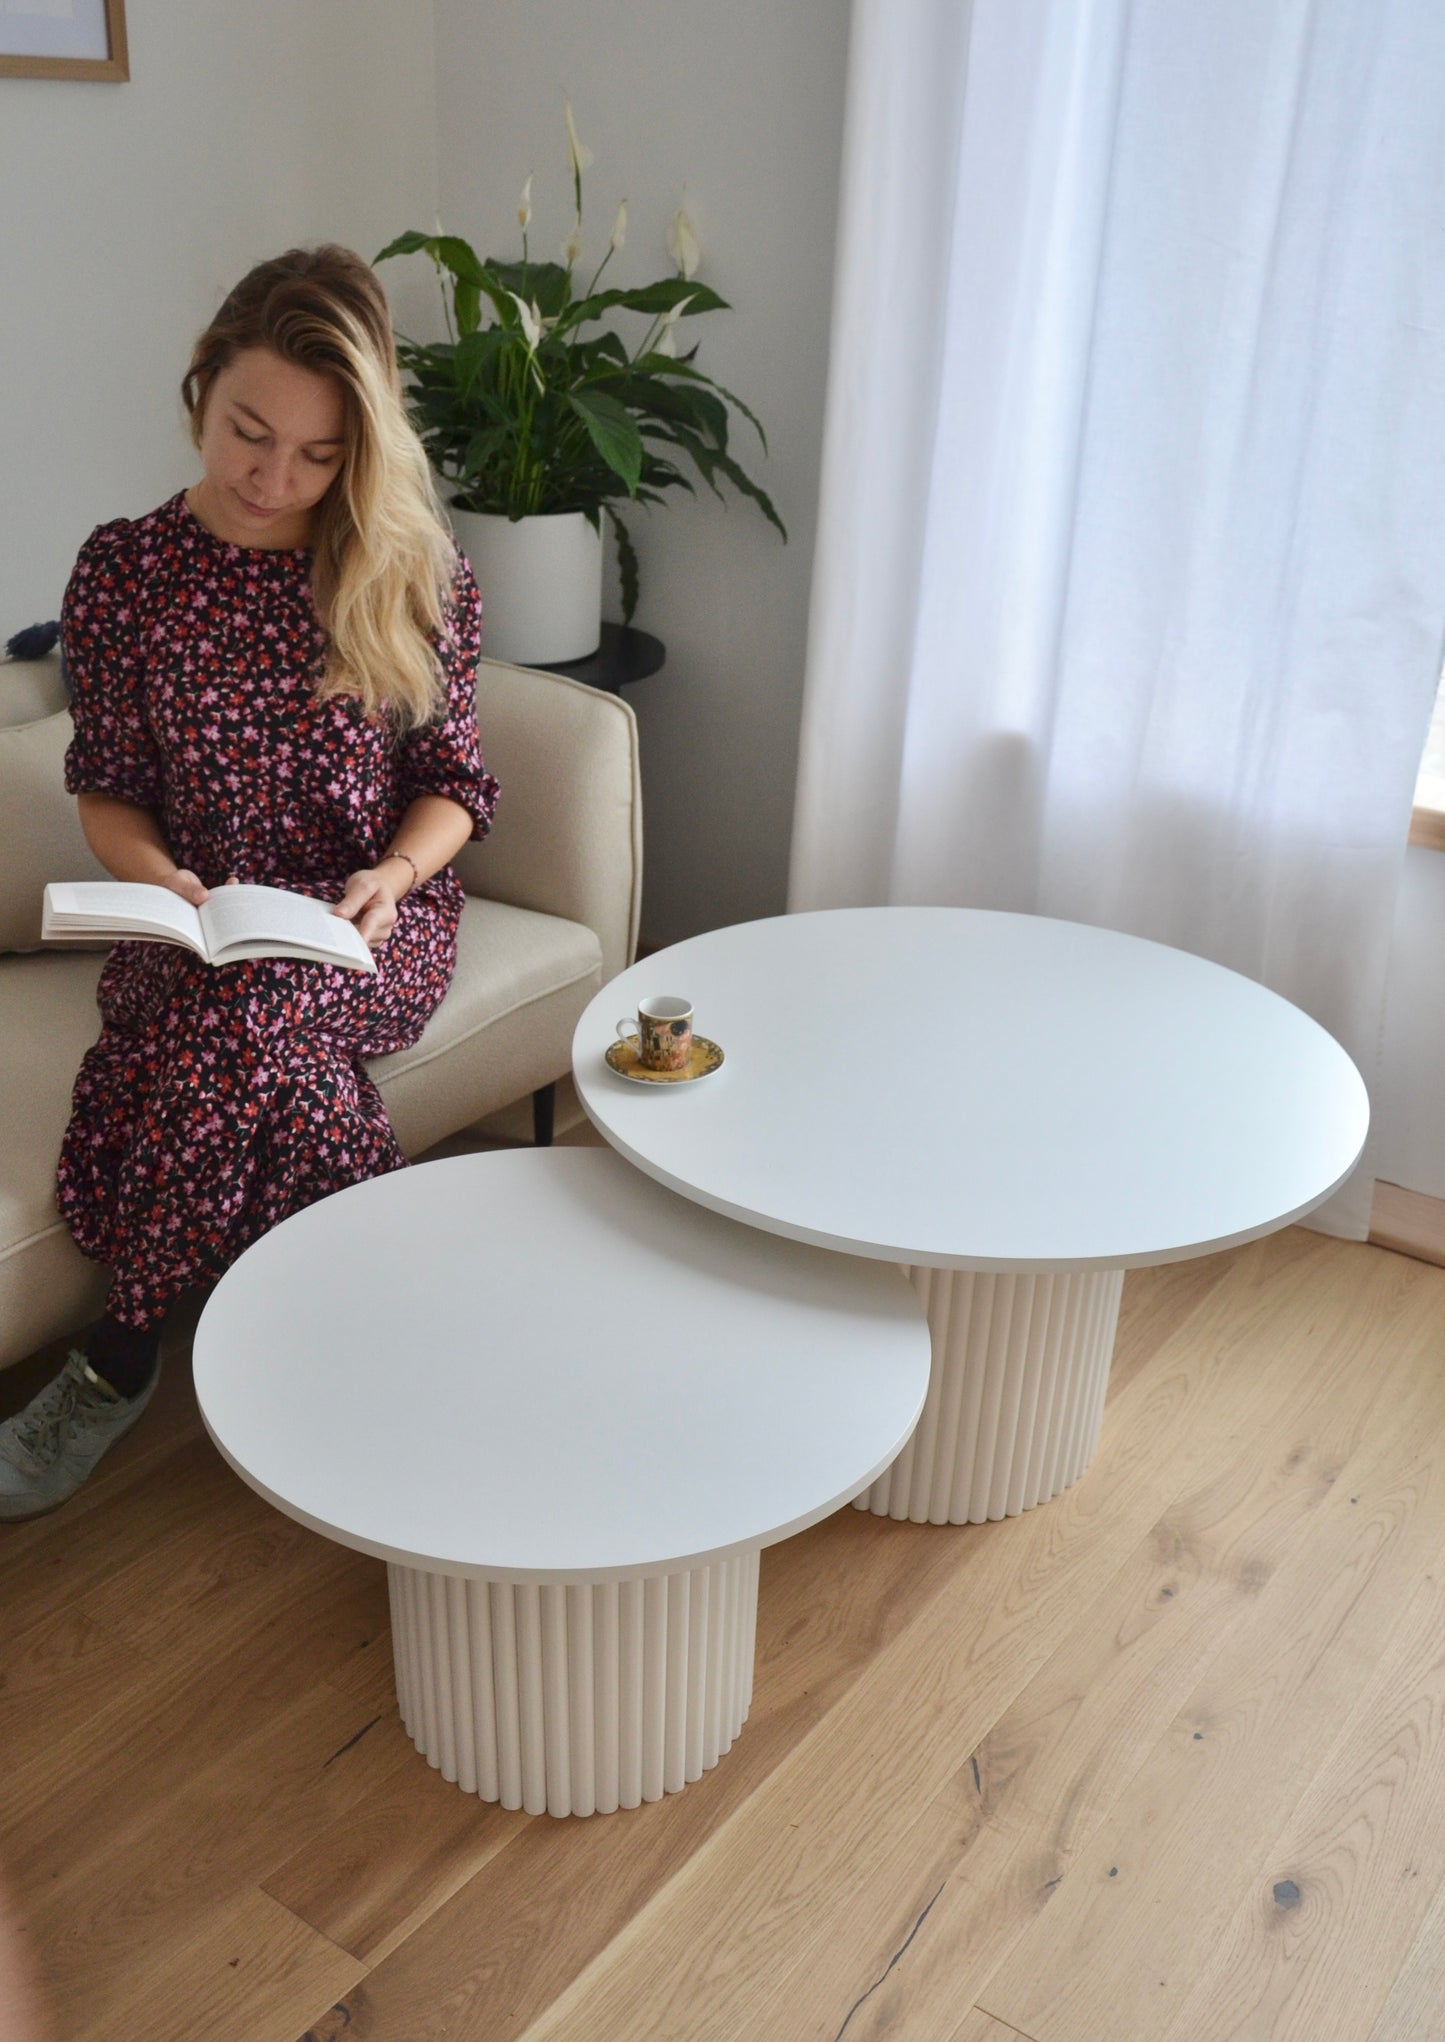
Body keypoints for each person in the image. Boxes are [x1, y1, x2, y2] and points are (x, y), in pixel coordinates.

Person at [0, 245, 498, 1521]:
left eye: (320, 454)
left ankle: (114, 1361)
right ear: (201, 385)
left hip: (364, 920)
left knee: (243, 1033)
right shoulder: (123, 571)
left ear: (361, 449)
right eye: (248, 432)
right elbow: (107, 783)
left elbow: (453, 782)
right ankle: (417, 1346)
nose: (274, 478)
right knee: (256, 1046)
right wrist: (160, 877)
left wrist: (395, 871)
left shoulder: (408, 571)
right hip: (200, 920)